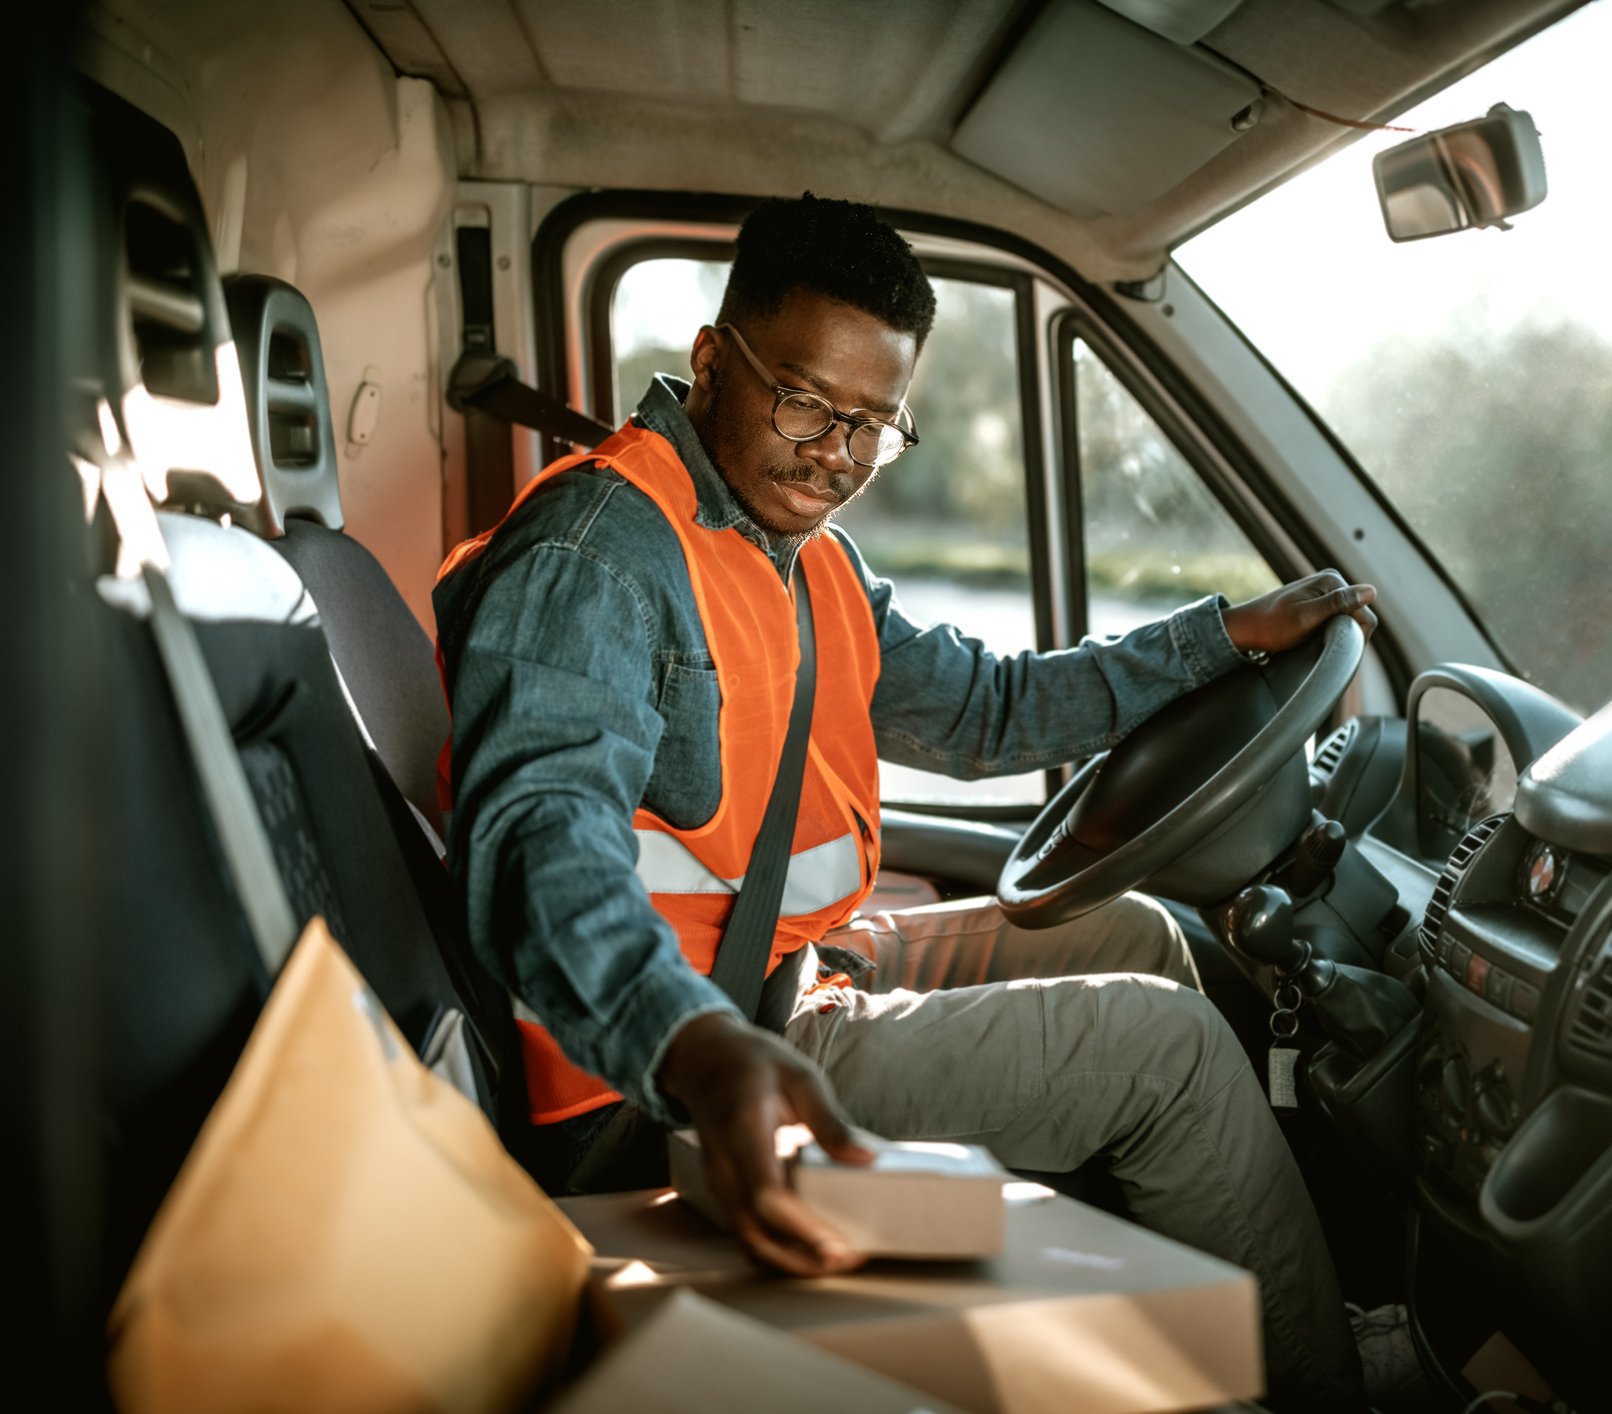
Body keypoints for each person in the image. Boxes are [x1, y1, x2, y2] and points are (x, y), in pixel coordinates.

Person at [433, 193, 1377, 1408]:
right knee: (1173, 1052)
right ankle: (1318, 1381)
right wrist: (695, 1044)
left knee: (1141, 930)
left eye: (874, 426)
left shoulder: (810, 556)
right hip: (671, 1070)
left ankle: (1192, 1334)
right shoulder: (594, 558)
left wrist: (1221, 638)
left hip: (786, 978)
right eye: (805, 401)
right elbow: (535, 840)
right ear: (712, 358)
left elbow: (987, 711)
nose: (835, 452)